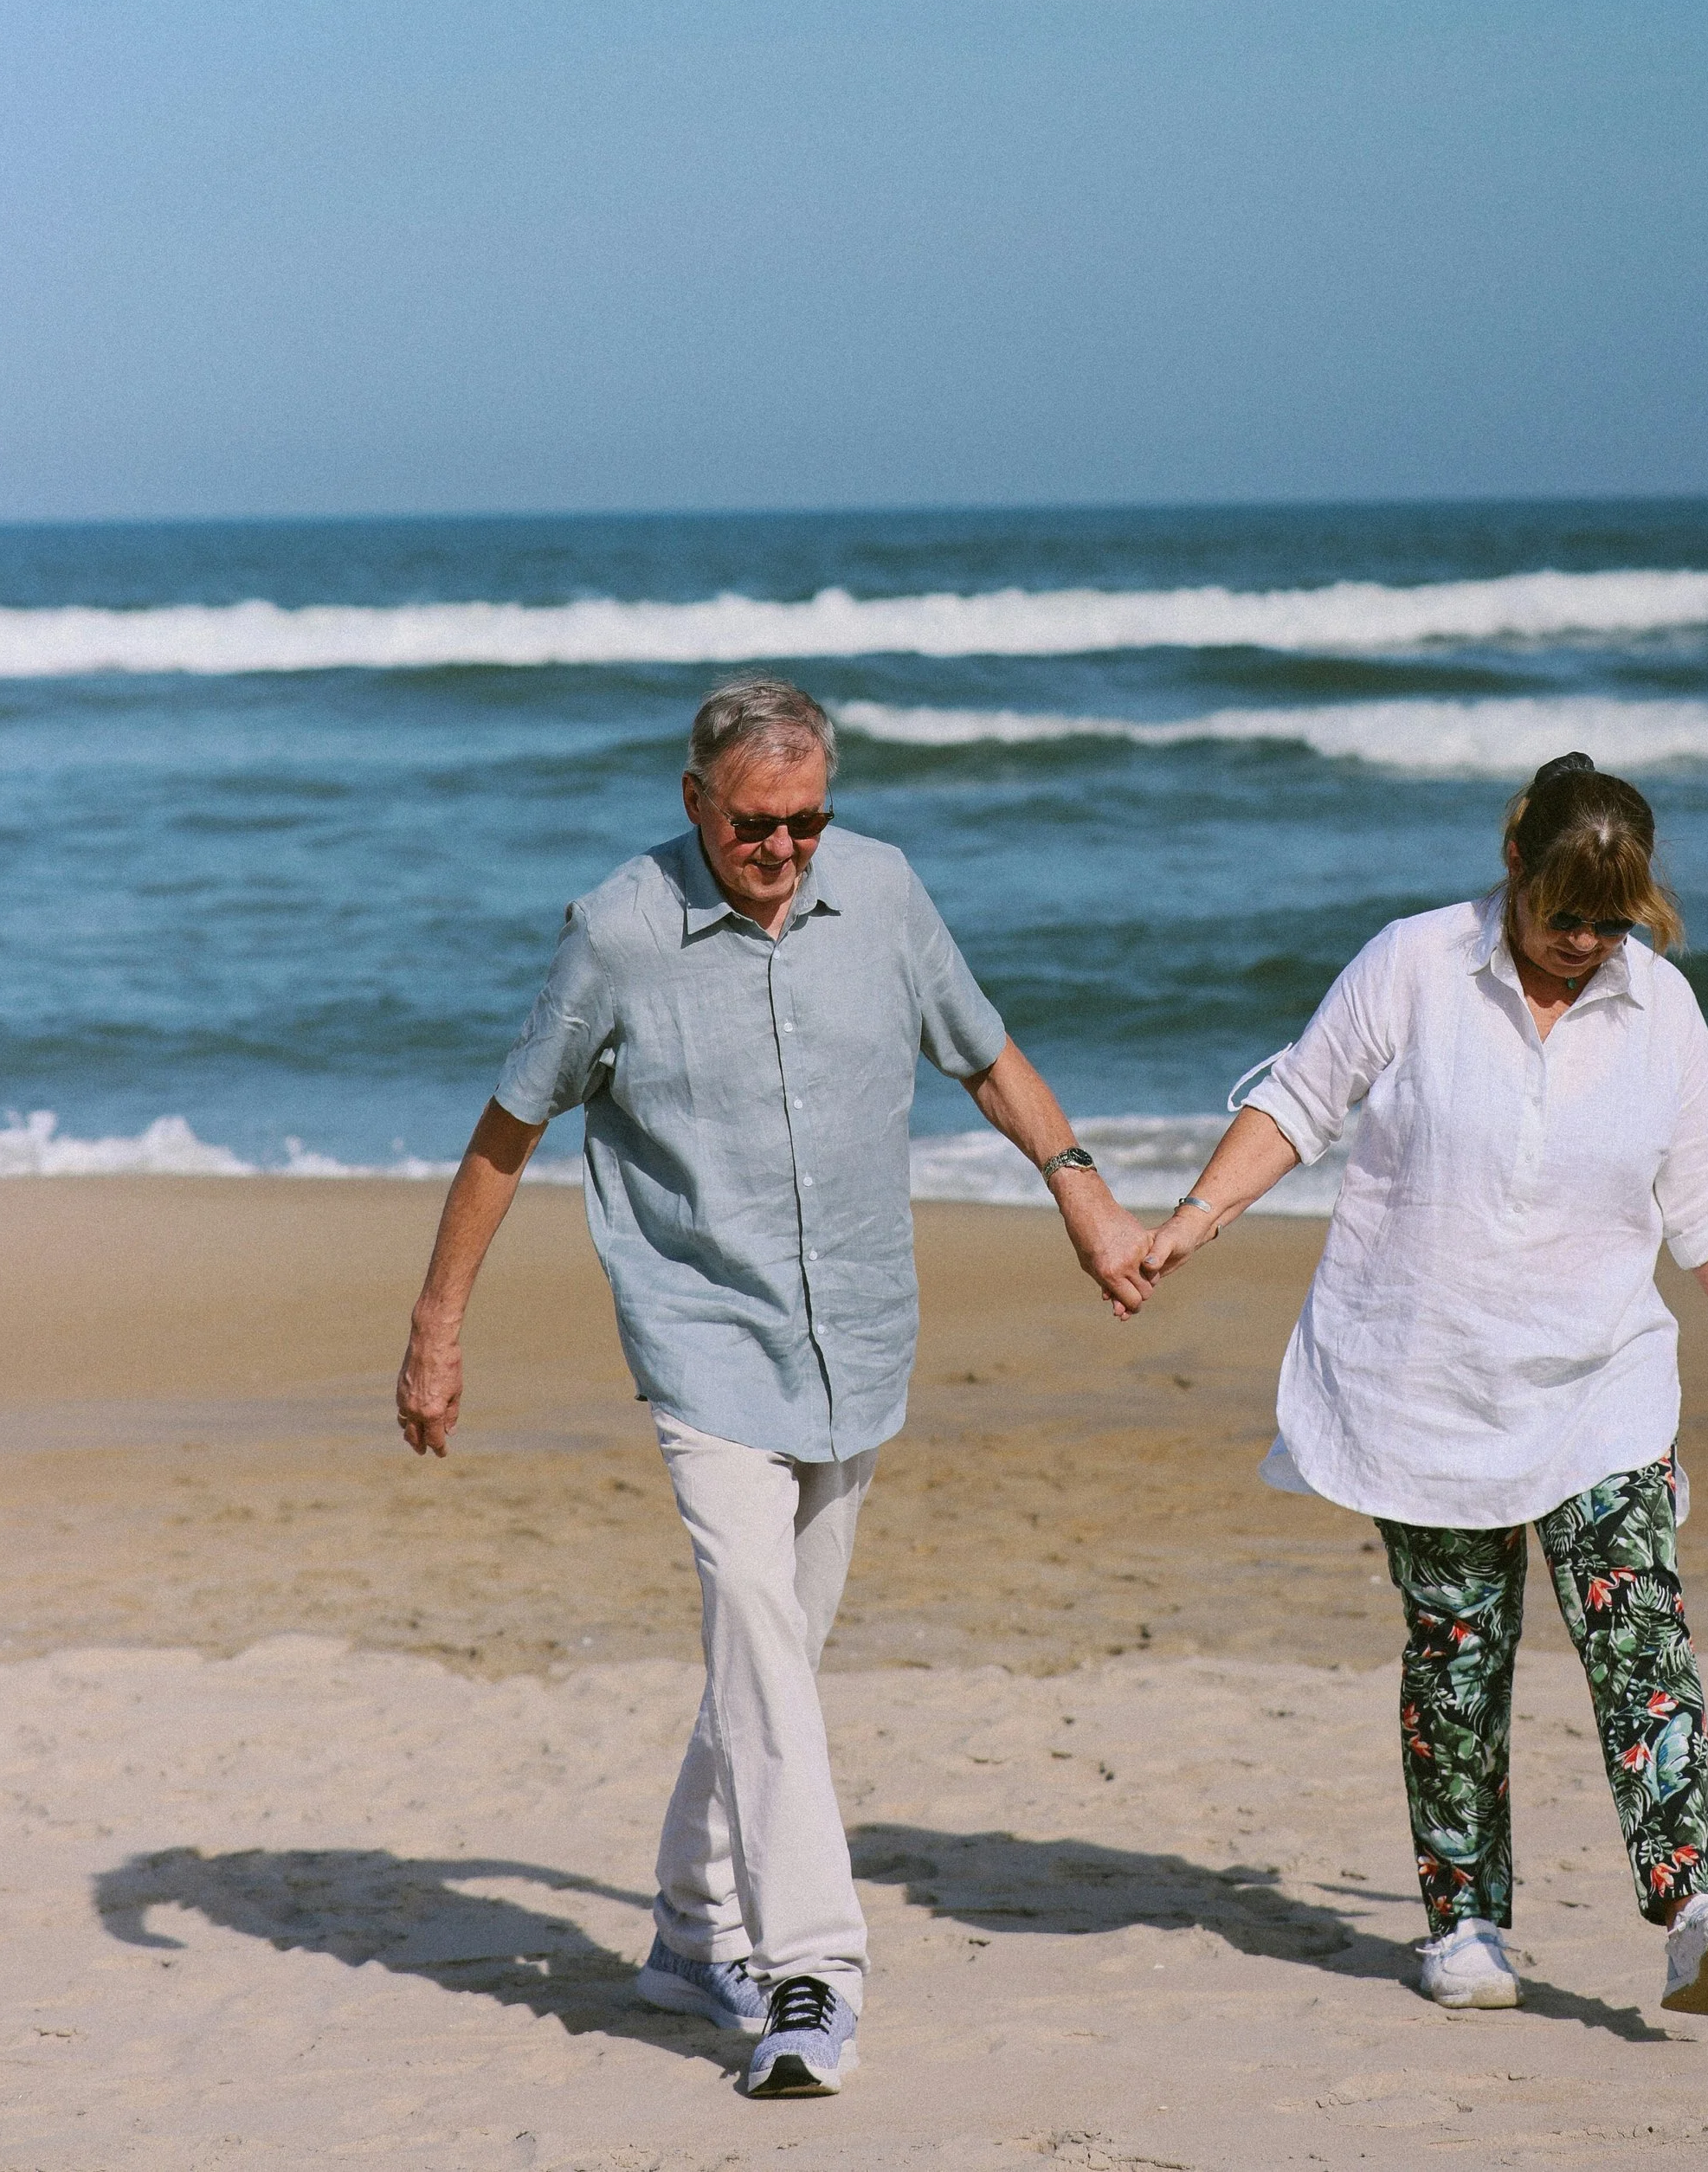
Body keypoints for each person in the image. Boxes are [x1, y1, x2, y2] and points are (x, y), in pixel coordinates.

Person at [394, 675, 1153, 2097]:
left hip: (857, 1331)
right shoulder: (617, 930)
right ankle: (812, 1968)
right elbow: (507, 1127)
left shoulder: (885, 892)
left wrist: (1084, 1197)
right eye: (757, 824)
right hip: (699, 1337)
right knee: (751, 1613)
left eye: (809, 820)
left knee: (774, 1654)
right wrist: (440, 1325)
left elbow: (986, 1055)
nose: (787, 849)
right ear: (695, 803)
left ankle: (687, 1932)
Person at [1132, 751, 1708, 2020]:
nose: (1582, 939)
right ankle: (1465, 1921)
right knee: (1458, 1654)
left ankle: (1696, 1906)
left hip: (1603, 1383)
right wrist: (1195, 1217)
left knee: (1640, 1636)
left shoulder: (1661, 1009)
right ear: (1512, 862)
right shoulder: (1413, 963)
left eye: (1608, 919)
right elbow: (1302, 1101)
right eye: (1561, 911)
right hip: (1429, 1375)